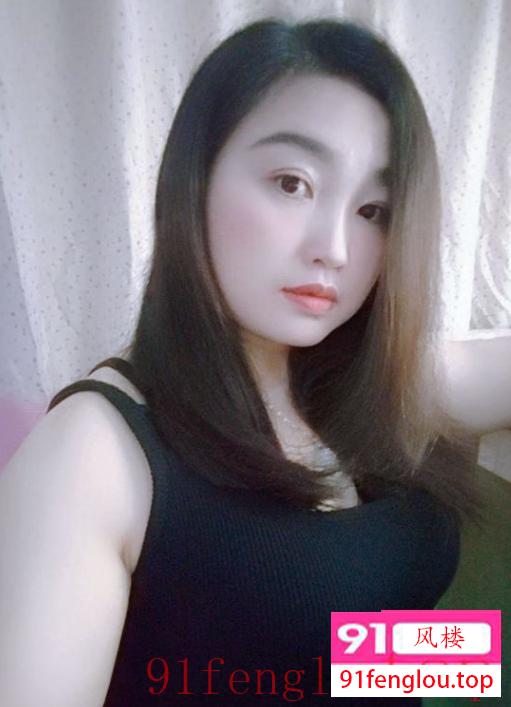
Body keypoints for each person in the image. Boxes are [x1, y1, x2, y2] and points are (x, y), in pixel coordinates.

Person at [0, 16, 509, 707]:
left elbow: (343, 652)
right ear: (195, 180)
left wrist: (465, 662)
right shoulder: (93, 454)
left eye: (372, 210)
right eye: (292, 183)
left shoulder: (369, 384)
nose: (334, 247)